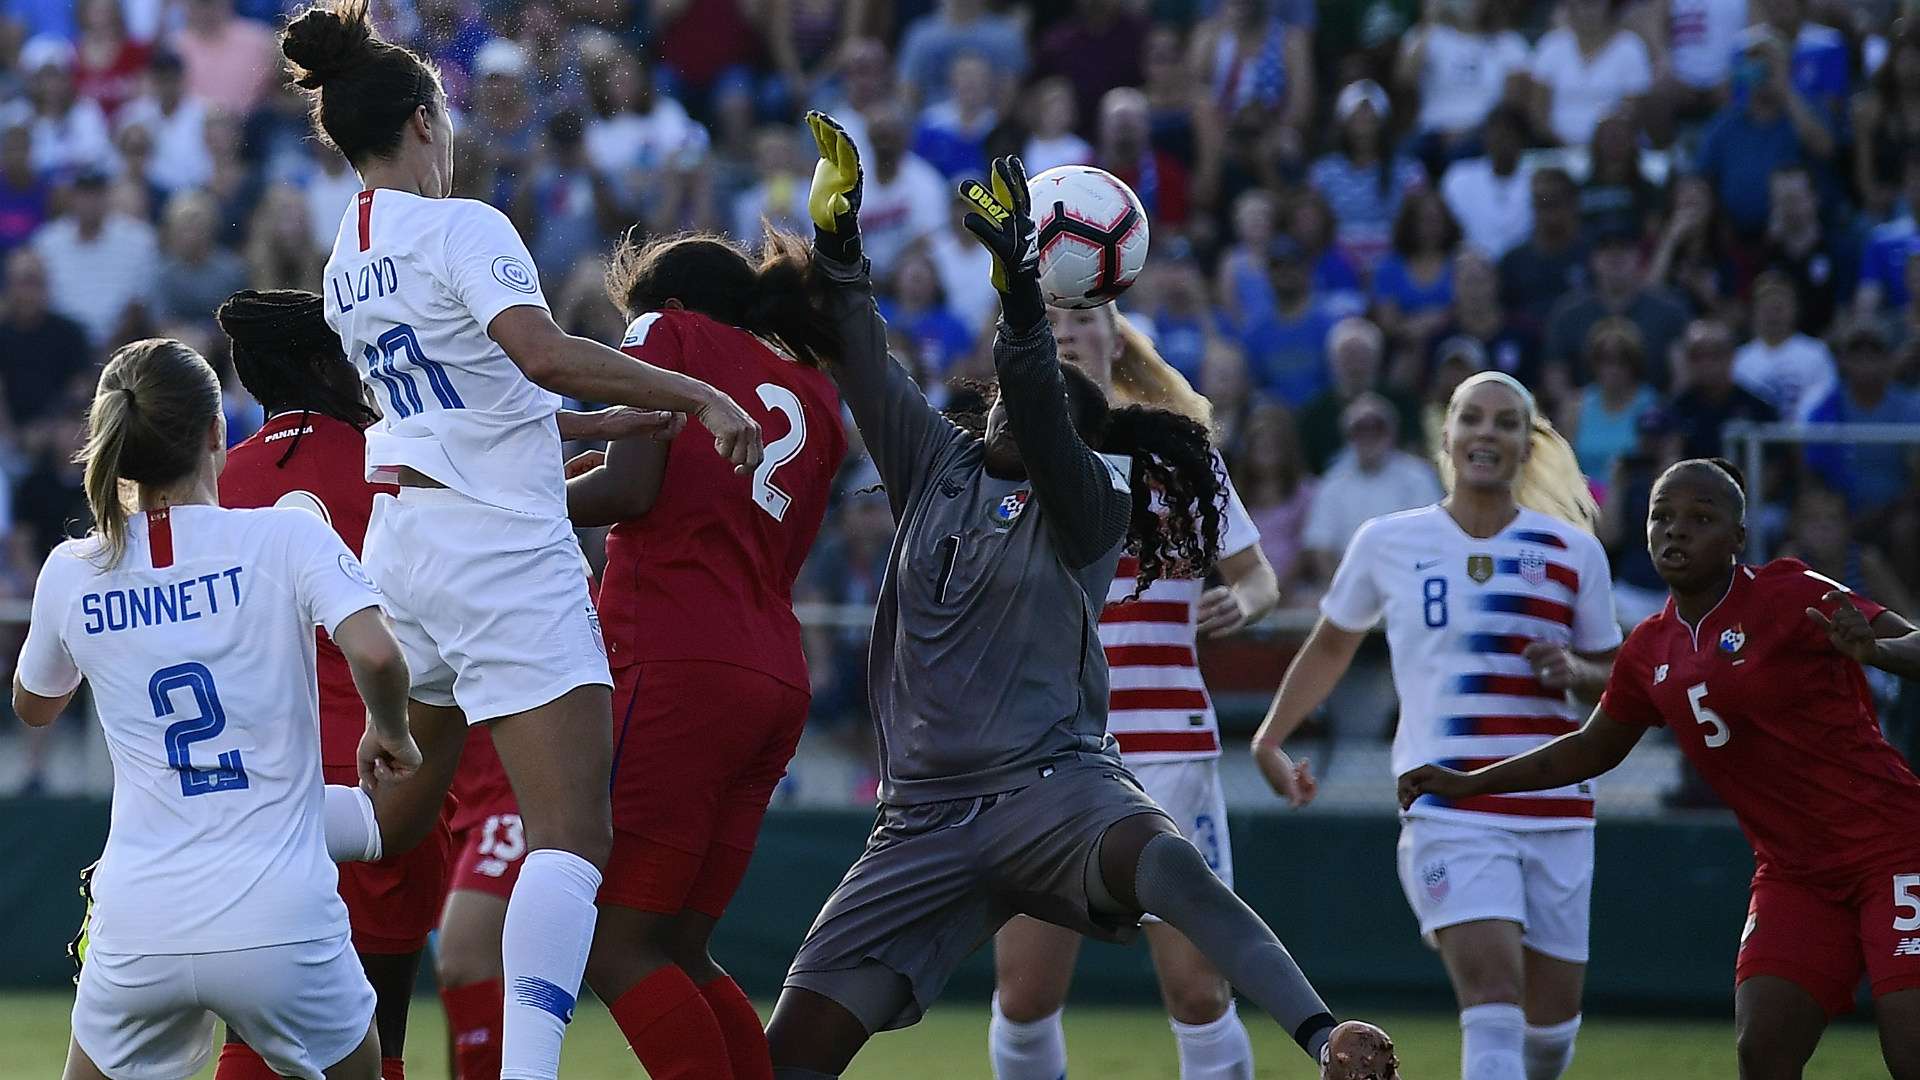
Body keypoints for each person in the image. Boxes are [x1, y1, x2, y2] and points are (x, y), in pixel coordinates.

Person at [770, 112, 1399, 1080]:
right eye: (1018, 392)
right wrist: (839, 241)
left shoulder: (1096, 498)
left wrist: (1021, 293)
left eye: (1053, 402)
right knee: (793, 1052)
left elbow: (1036, 385)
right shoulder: (932, 464)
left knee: (1175, 872)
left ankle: (1322, 1032)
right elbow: (859, 351)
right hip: (921, 819)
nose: (1025, 403)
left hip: (1055, 789)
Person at [277, 4, 764, 1079]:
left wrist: (620, 417)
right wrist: (698, 395)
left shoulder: (344, 258)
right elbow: (539, 356)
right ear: (422, 120)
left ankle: (205, 822)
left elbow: (471, 400)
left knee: (394, 822)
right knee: (572, 842)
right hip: (498, 553)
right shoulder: (464, 228)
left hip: (407, 549)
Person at [1401, 457, 1920, 1080]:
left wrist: (1876, 650)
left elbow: (1915, 642)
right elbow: (1592, 749)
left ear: (1737, 539)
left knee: (1909, 1046)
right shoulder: (1650, 647)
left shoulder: (1791, 591)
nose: (1675, 531)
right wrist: (1470, 783)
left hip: (1891, 846)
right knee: (1763, 1050)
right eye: (1662, 517)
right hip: (1794, 873)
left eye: (1700, 518)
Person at [20, 337, 419, 1080]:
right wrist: (388, 732)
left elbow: (35, 707)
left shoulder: (72, 571)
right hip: (281, 917)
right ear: (216, 432)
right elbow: (379, 654)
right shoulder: (286, 532)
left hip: (140, 919)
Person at [1254, 371, 1619, 1080]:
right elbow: (1333, 643)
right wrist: (1270, 737)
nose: (1487, 433)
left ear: (1526, 442)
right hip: (1448, 804)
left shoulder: (1575, 552)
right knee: (1492, 1000)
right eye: (1472, 418)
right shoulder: (1387, 540)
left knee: (1549, 1035)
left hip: (1557, 809)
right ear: (1446, 436)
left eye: (1506, 422)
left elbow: (1621, 679)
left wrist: (1577, 672)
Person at [564, 229, 848, 1080]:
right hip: (769, 668)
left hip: (677, 657)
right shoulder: (813, 394)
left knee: (615, 946)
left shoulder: (663, 334)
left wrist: (522, 500)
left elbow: (632, 489)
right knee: (683, 946)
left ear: (673, 305)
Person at [989, 301, 1283, 1080]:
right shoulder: (1007, 455)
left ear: (1116, 336)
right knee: (1024, 996)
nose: (1067, 331)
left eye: (1083, 316)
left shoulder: (1181, 455)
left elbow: (1258, 578)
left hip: (1168, 750)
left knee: (1197, 990)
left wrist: (1241, 603)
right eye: (1047, 319)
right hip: (1046, 752)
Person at [210, 289, 448, 1080]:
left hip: (262, 795)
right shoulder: (406, 462)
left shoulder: (212, 484)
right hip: (389, 779)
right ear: (321, 365)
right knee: (380, 1042)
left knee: (255, 1037)